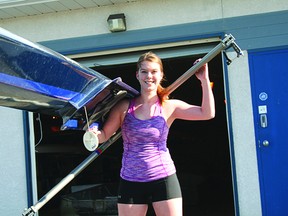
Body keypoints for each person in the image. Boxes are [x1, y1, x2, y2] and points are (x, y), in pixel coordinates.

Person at [92, 51, 215, 216]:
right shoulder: (123, 107)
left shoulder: (169, 106)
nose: (149, 76)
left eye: (154, 71)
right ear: (137, 75)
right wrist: (92, 134)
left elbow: (207, 113)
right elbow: (104, 136)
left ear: (161, 74)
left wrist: (204, 80)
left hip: (163, 177)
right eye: (144, 71)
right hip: (131, 180)